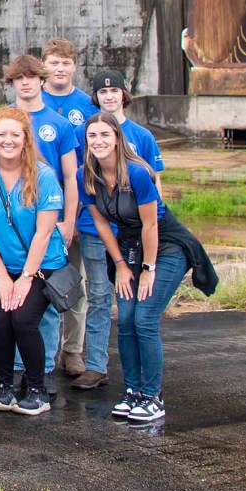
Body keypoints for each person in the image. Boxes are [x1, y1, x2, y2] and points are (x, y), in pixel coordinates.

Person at [81, 111, 182, 425]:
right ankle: (133, 392)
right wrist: (122, 266)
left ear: (116, 138)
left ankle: (153, 397)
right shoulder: (87, 175)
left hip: (164, 246)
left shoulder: (137, 172)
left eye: (104, 135)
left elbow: (151, 224)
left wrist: (149, 268)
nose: (98, 141)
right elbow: (101, 224)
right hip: (128, 248)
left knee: (144, 318)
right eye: (92, 136)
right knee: (124, 318)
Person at [0, 109, 65, 417]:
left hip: (40, 264)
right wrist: (2, 277)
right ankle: (5, 387)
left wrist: (24, 278)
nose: (8, 141)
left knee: (22, 320)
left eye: (15, 135)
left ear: (26, 140)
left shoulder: (43, 176)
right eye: (1, 134)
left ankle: (37, 389)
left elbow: (45, 231)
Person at [72, 70, 162, 390]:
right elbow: (80, 179)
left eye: (115, 91)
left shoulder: (142, 136)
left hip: (134, 234)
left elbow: (155, 184)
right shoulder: (88, 133)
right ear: (95, 98)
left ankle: (139, 374)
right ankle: (96, 364)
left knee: (133, 302)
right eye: (102, 92)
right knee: (98, 295)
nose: (109, 97)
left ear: (124, 95)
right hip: (96, 230)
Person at [0, 53, 81, 388]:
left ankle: (43, 367)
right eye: (20, 78)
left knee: (43, 300)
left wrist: (69, 220)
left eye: (32, 77)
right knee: (12, 303)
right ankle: (18, 367)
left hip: (48, 222)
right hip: (9, 228)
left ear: (42, 81)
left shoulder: (58, 123)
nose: (26, 83)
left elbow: (71, 176)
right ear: (12, 83)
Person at [42, 39, 98, 378]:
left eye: (65, 63)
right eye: (53, 62)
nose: (59, 68)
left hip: (77, 211)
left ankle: (73, 350)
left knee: (76, 284)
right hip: (38, 213)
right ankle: (41, 352)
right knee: (42, 283)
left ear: (74, 67)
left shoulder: (88, 106)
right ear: (43, 66)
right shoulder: (33, 101)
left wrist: (75, 216)